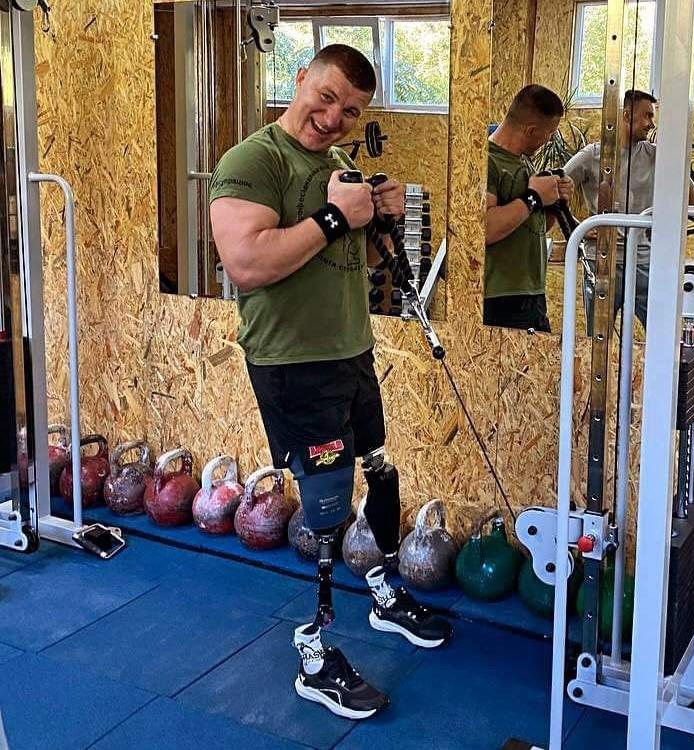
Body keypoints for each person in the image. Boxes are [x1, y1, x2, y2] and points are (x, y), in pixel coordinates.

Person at [208, 44, 451, 721]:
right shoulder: (253, 161)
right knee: (323, 509)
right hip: (294, 365)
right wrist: (339, 214)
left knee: (378, 473)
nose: (334, 116)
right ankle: (313, 651)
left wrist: (380, 219)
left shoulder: (339, 163)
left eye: (351, 110)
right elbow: (247, 262)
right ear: (299, 80)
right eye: (326, 97)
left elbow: (357, 258)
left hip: (350, 352)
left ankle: (382, 594)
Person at [564, 89, 694, 336]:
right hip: (602, 262)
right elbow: (555, 189)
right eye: (647, 116)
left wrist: (674, 158)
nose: (651, 124)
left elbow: (693, 199)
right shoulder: (592, 155)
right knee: (598, 339)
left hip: (643, 261)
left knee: (662, 335)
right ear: (627, 116)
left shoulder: (655, 155)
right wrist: (576, 227)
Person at [484, 84, 574, 332]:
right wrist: (533, 197)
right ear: (531, 130)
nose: (549, 140)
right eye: (549, 134)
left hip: (532, 292)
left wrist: (554, 203)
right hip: (501, 296)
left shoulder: (524, 162)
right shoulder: (488, 161)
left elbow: (537, 228)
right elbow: (485, 228)